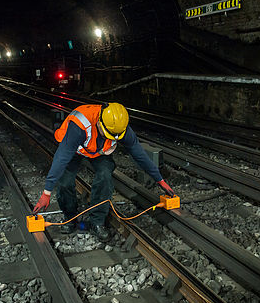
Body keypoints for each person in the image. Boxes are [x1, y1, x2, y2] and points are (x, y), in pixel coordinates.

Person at [33, 103, 177, 241]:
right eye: (107, 134)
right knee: (65, 182)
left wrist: (160, 180)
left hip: (99, 151)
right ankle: (69, 218)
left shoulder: (120, 127)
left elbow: (139, 155)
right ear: (99, 122)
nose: (110, 138)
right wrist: (47, 192)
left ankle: (97, 221)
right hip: (75, 149)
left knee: (105, 176)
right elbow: (62, 157)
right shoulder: (80, 125)